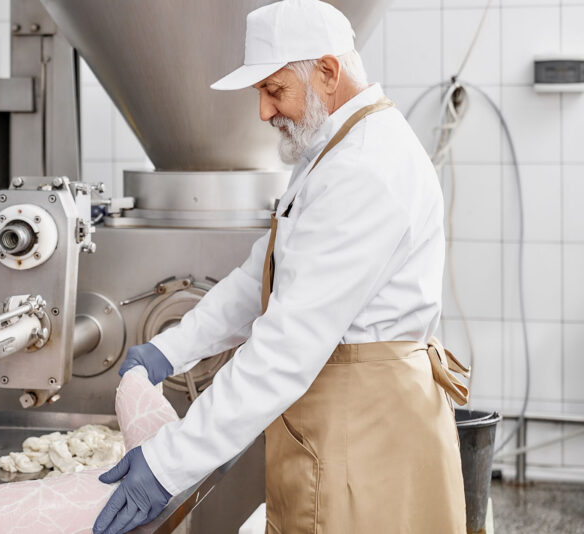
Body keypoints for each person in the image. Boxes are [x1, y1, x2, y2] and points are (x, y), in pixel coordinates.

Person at [93, 1, 470, 533]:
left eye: (274, 90)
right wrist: (171, 348)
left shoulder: (365, 168)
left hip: (368, 436)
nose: (264, 113)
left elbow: (286, 346)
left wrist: (165, 465)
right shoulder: (332, 151)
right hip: (339, 419)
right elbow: (259, 275)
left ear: (328, 72)